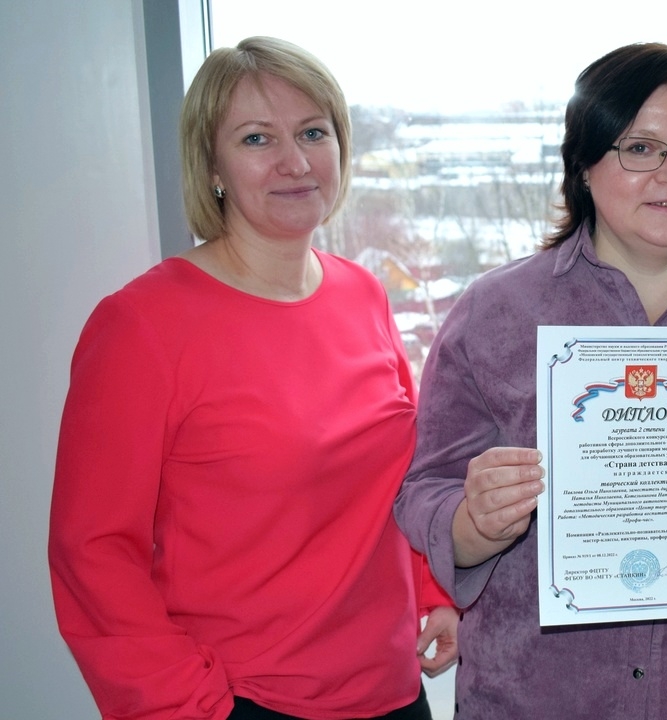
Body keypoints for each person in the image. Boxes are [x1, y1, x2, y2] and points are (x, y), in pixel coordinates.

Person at [393, 42, 667, 718]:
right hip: (536, 699)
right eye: (640, 149)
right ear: (584, 163)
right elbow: (426, 486)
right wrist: (472, 524)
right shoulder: (495, 313)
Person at [48, 36, 457, 720]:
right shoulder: (141, 325)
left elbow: (400, 475)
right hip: (244, 700)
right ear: (212, 166)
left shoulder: (362, 293)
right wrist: (188, 706)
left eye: (313, 132)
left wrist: (434, 592)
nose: (295, 162)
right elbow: (92, 554)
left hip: (392, 691)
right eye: (257, 139)